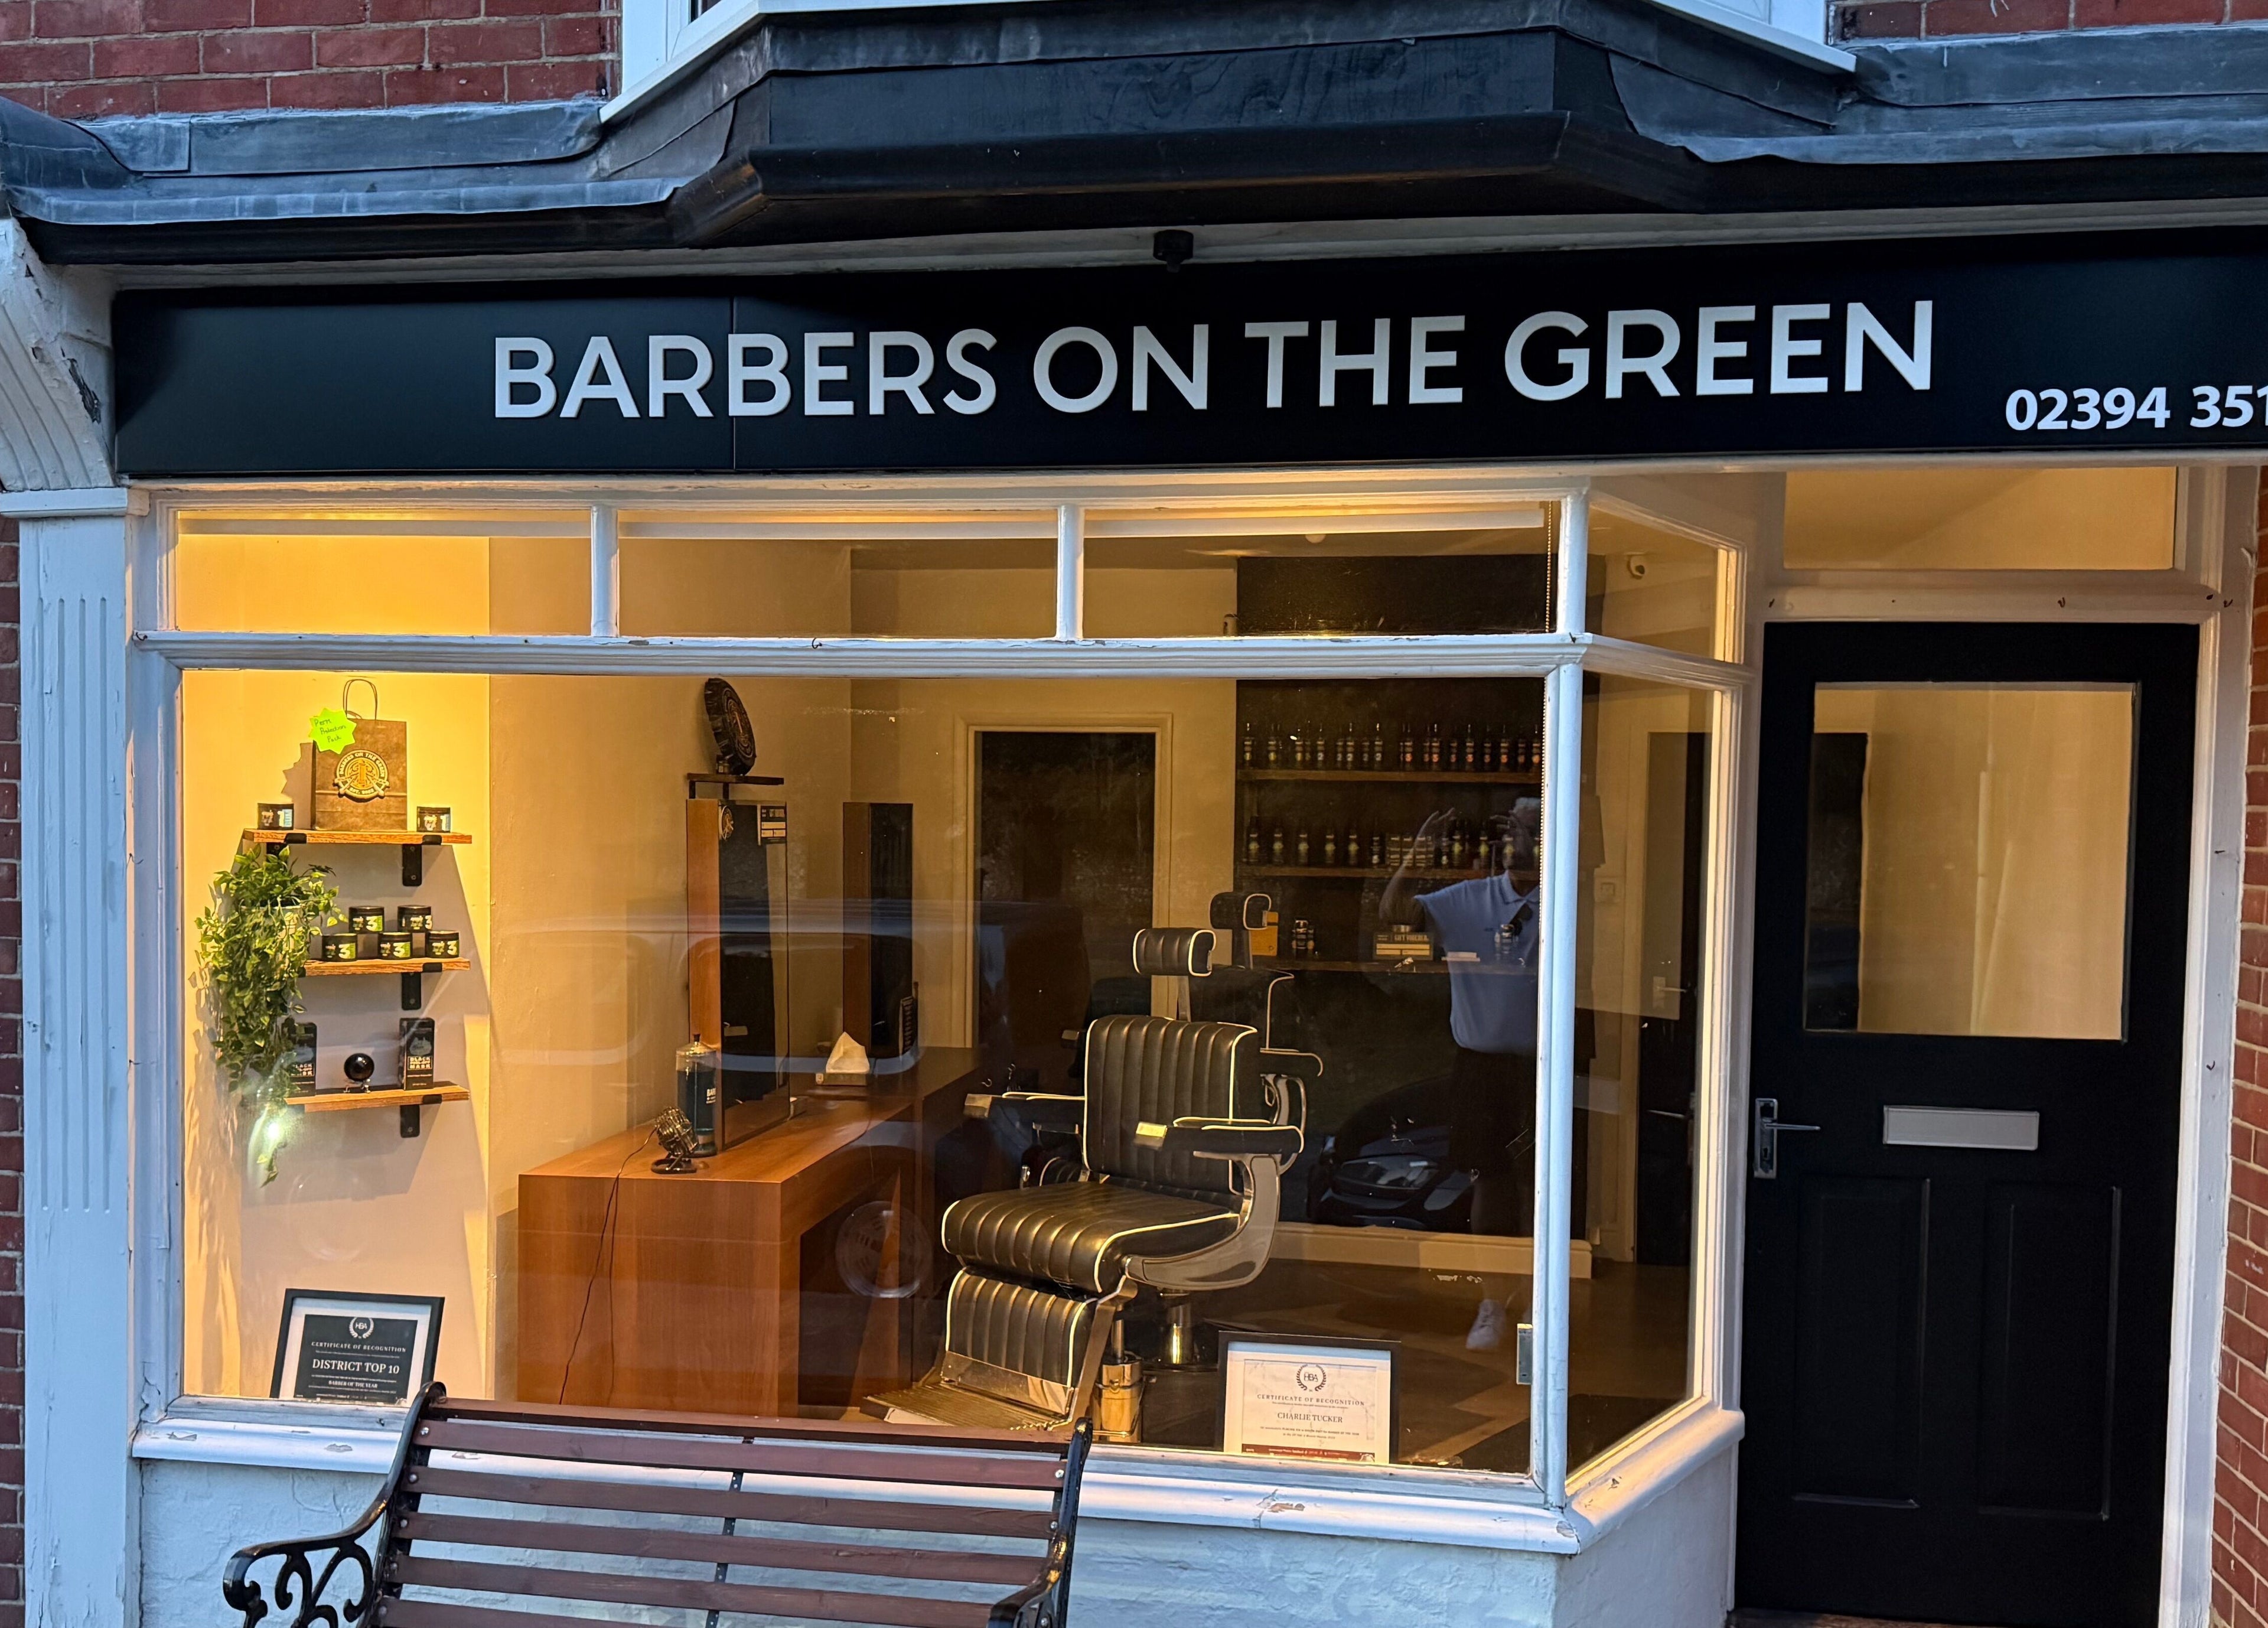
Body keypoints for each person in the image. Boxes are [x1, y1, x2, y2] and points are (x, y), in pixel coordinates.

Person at [1379, 797, 1542, 1352]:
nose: (1517, 840)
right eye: (1514, 828)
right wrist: (1420, 853)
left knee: (1547, 1184)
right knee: (1490, 1182)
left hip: (1550, 1065)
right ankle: (1493, 1303)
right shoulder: (1470, 899)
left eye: (1532, 830)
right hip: (1484, 1064)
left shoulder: (1570, 898)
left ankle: (1544, 1300)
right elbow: (1396, 915)